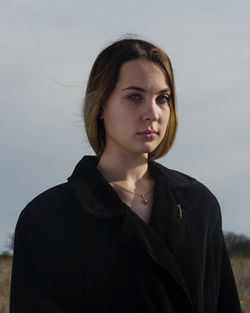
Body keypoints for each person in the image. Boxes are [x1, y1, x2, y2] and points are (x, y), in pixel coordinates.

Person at [10, 38, 242, 313]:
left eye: (162, 98)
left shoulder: (200, 204)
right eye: (135, 97)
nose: (152, 113)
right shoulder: (47, 217)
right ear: (100, 105)